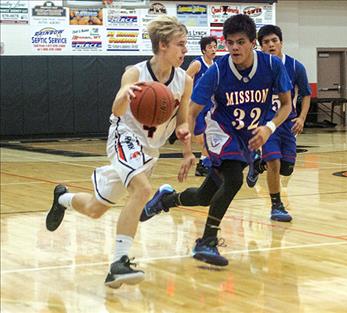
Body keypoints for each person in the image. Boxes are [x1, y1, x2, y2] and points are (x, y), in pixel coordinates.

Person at [45, 15, 195, 288]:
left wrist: (186, 144)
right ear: (163, 45)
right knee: (143, 191)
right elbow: (116, 110)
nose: (185, 50)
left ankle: (62, 198)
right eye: (180, 45)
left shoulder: (184, 81)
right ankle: (118, 262)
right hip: (124, 137)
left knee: (94, 208)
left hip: (150, 150)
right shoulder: (135, 73)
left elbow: (183, 121)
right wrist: (125, 95)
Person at [140, 14, 293, 266]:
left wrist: (269, 127)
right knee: (233, 179)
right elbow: (190, 110)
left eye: (240, 42)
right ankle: (207, 241)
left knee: (205, 196)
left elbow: (286, 105)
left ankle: (166, 199)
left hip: (249, 134)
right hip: (220, 130)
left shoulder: (272, 66)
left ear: (253, 43)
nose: (234, 47)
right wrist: (189, 149)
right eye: (230, 42)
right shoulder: (218, 71)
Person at [246, 24, 312, 222]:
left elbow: (307, 94)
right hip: (266, 123)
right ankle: (276, 206)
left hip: (288, 122)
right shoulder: (257, 67)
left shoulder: (295, 66)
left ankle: (257, 165)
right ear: (260, 46)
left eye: (274, 41)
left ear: (281, 43)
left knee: (286, 168)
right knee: (274, 162)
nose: (271, 45)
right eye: (266, 42)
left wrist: (301, 117)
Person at [185, 36, 218, 177]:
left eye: (215, 46)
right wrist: (187, 99)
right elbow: (185, 79)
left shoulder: (215, 65)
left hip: (210, 106)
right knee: (202, 139)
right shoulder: (198, 63)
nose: (213, 49)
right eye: (210, 47)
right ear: (204, 49)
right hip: (197, 106)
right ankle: (204, 163)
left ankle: (204, 165)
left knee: (210, 137)